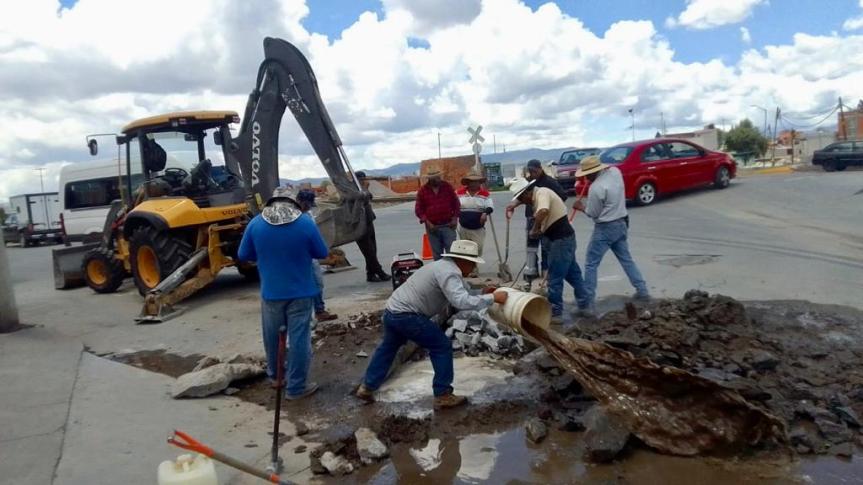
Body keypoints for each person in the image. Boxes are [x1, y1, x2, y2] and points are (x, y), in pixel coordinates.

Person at [356, 240, 508, 409]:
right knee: (441, 346)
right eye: (472, 264)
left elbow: (462, 292)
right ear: (463, 261)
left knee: (388, 347)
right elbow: (461, 301)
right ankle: (443, 394)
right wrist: (493, 298)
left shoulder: (443, 266)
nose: (473, 269)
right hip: (407, 316)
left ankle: (367, 387)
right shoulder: (449, 273)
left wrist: (482, 292)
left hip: (392, 312)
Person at [238, 186, 327, 400]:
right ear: (293, 202)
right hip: (302, 293)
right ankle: (296, 388)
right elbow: (322, 252)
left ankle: (277, 378)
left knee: (272, 338)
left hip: (271, 293)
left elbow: (243, 254)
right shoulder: (305, 222)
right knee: (299, 340)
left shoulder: (256, 223)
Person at [572, 156, 650, 308]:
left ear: (592, 172)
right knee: (626, 259)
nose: (585, 177)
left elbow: (593, 213)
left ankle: (587, 303)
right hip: (621, 222)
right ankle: (642, 290)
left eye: (587, 174)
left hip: (605, 228)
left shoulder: (596, 188)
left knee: (591, 263)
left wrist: (581, 207)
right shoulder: (615, 172)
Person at [513, 181, 590, 324]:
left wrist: (535, 228)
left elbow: (543, 211)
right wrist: (540, 231)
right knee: (572, 274)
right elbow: (546, 218)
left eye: (522, 199)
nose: (524, 203)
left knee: (555, 277)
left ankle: (556, 312)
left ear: (526, 193)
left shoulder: (542, 193)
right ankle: (585, 304)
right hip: (561, 239)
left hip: (560, 240)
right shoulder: (538, 196)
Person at [505, 159, 567, 275]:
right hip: (531, 216)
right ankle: (531, 270)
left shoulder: (550, 182)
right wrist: (513, 205)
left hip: (545, 217)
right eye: (530, 171)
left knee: (545, 245)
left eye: (534, 171)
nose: (532, 173)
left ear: (540, 169)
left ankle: (546, 270)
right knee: (531, 245)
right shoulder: (529, 182)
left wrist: (551, 204)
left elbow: (562, 196)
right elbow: (522, 197)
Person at [296, 189, 338, 322]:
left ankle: (319, 310)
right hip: (300, 256)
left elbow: (315, 235)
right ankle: (311, 313)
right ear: (299, 201)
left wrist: (326, 251)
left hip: (310, 256)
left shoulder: (308, 215)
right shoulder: (293, 216)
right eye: (306, 204)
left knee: (317, 284)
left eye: (309, 204)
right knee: (309, 284)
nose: (307, 207)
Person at [353, 171, 392, 283]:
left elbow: (369, 197)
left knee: (373, 249)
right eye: (362, 179)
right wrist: (365, 188)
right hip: (359, 224)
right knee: (369, 251)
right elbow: (364, 197)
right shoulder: (353, 190)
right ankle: (379, 272)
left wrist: (365, 188)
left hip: (368, 220)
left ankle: (370, 274)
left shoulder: (362, 189)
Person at [415, 170, 460, 260]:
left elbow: (456, 203)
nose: (438, 180)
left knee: (452, 252)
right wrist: (427, 222)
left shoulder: (447, 187)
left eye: (439, 177)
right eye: (435, 178)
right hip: (432, 227)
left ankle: (451, 273)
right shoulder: (422, 191)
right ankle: (440, 273)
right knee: (437, 255)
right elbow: (418, 210)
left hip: (448, 225)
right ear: (430, 179)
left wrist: (455, 218)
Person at [456, 173, 494, 276]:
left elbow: (490, 206)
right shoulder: (459, 193)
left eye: (476, 182)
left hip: (478, 227)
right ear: (468, 183)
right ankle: (468, 269)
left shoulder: (484, 194)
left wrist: (485, 213)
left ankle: (474, 267)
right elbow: (455, 206)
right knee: (465, 249)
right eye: (471, 182)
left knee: (478, 248)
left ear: (479, 183)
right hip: (464, 226)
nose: (474, 184)